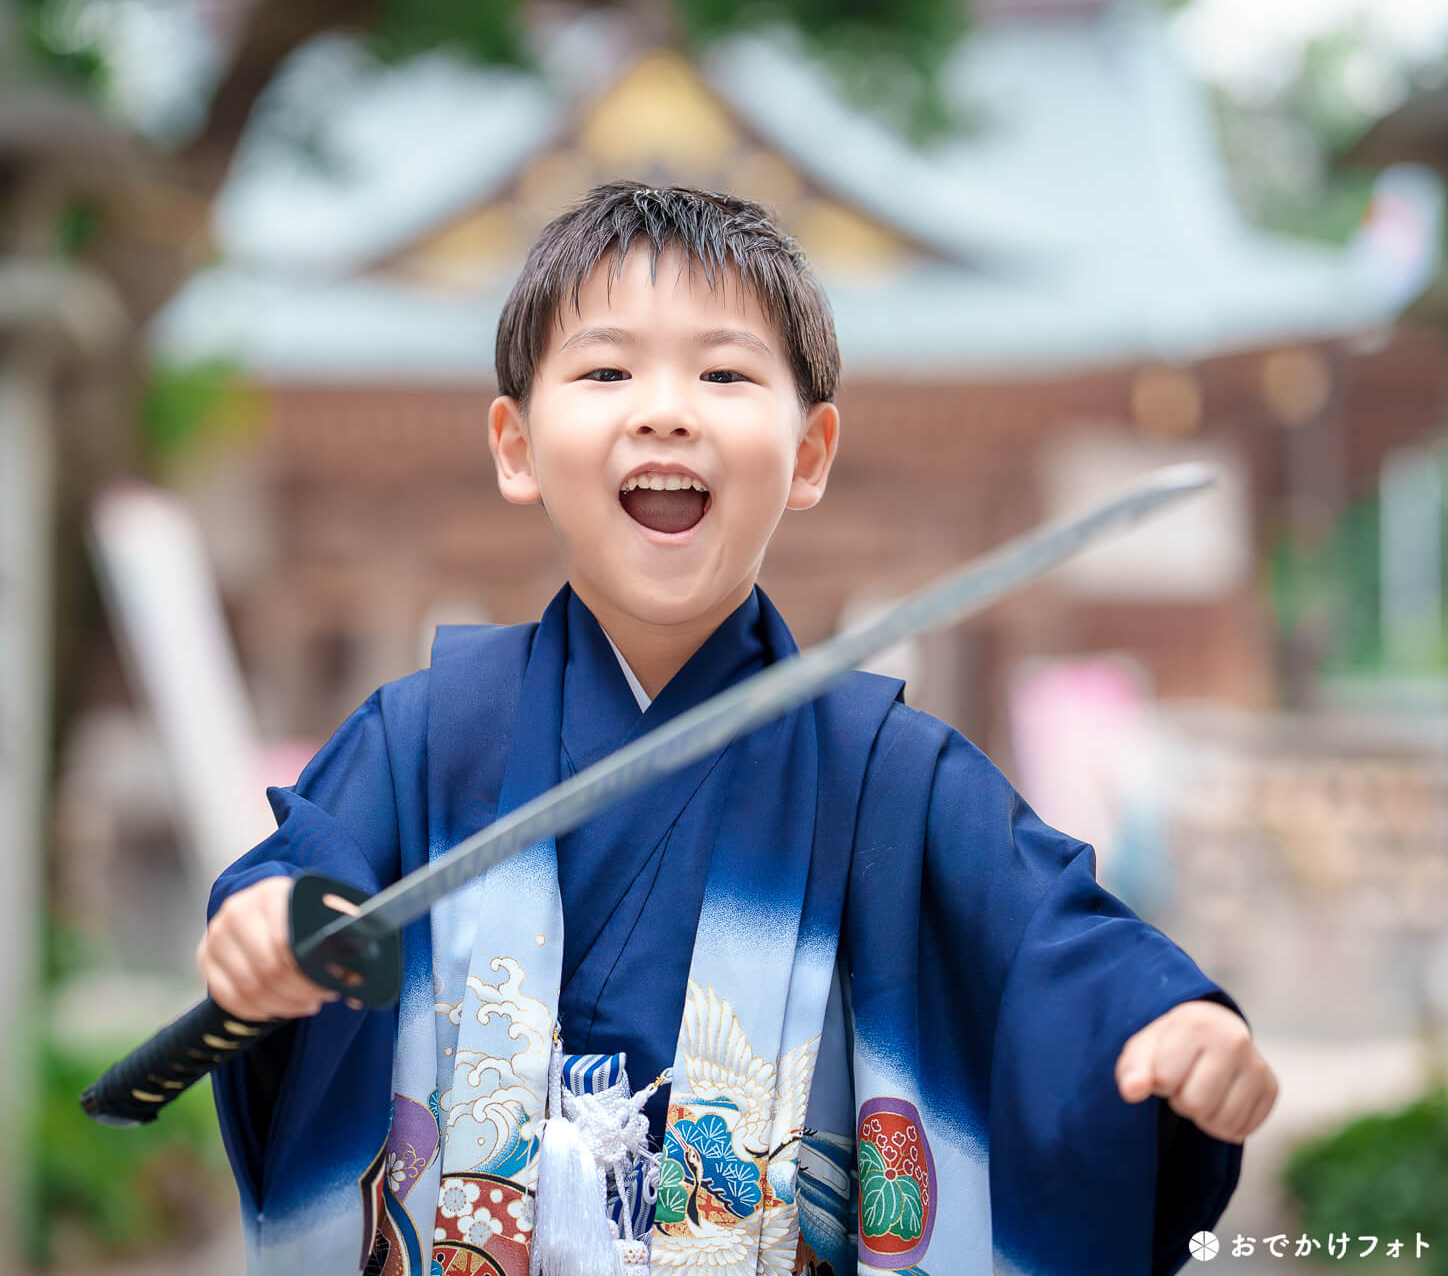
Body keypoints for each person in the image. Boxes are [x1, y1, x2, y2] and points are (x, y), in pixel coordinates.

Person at [197, 182, 1277, 1276]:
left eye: (723, 373)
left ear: (809, 454)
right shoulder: (427, 737)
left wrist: (1161, 1020)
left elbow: (1051, 936)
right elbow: (312, 872)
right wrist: (270, 924)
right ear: (514, 444)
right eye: (607, 369)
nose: (666, 409)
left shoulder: (885, 775)